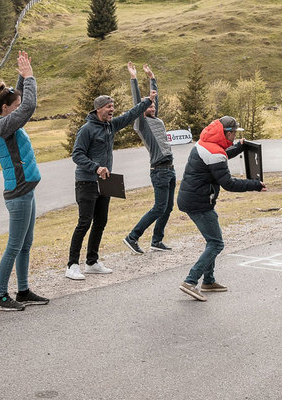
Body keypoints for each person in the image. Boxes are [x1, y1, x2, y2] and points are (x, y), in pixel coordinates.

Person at [65, 67, 156, 280]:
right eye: (108, 107)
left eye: (113, 106)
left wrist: (147, 101)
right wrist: (95, 167)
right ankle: (71, 265)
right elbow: (76, 155)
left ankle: (92, 262)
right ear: (98, 109)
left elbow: (130, 115)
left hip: (105, 182)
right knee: (84, 222)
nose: (112, 110)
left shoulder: (110, 126)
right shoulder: (87, 129)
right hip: (87, 182)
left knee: (101, 221)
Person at [177, 116, 266, 301]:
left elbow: (222, 154)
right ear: (227, 132)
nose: (234, 136)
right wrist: (255, 184)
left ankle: (208, 281)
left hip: (195, 199)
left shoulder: (206, 142)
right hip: (198, 202)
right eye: (233, 133)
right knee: (216, 243)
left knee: (212, 240)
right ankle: (190, 281)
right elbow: (229, 183)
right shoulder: (214, 152)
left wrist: (239, 147)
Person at [0, 51, 49, 311]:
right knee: (14, 246)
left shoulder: (5, 118)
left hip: (27, 190)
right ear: (5, 110)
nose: (18, 112)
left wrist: (21, 73)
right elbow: (27, 106)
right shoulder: (2, 126)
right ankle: (0, 296)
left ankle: (23, 290)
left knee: (26, 244)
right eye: (12, 108)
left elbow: (16, 98)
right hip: (18, 193)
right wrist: (30, 78)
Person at [122, 62, 176, 254]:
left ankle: (157, 240)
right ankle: (132, 237)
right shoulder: (141, 123)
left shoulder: (156, 119)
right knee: (158, 207)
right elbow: (139, 102)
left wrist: (152, 78)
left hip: (170, 169)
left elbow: (155, 99)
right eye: (149, 105)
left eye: (153, 105)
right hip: (159, 170)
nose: (152, 106)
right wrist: (134, 78)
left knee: (167, 208)